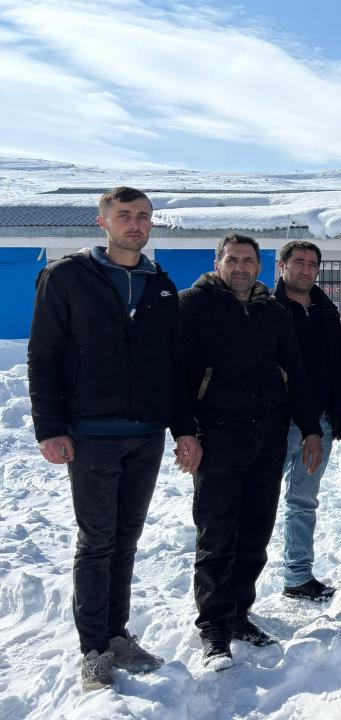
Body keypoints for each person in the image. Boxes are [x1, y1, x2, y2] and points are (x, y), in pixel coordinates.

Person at [28, 186, 197, 690]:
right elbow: (45, 356)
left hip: (144, 434)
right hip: (91, 433)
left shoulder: (161, 286)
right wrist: (50, 427)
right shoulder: (68, 277)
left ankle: (117, 634)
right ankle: (94, 649)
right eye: (124, 215)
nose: (136, 224)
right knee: (97, 541)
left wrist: (183, 428)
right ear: (102, 222)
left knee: (126, 540)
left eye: (144, 216)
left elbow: (174, 367)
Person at [179, 233, 323, 669]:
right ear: (218, 261)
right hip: (217, 438)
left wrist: (311, 430)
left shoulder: (271, 310)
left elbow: (295, 372)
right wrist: (185, 432)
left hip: (268, 438)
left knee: (256, 534)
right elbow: (176, 375)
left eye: (248, 261)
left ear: (260, 267)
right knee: (217, 535)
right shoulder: (193, 305)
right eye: (233, 259)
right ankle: (215, 630)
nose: (240, 267)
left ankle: (239, 612)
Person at [274, 240, 341, 603]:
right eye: (298, 262)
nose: (305, 269)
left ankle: (298, 575)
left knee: (303, 502)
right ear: (281, 266)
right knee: (256, 504)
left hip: (319, 422)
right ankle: (237, 588)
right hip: (275, 422)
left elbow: (339, 366)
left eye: (312, 264)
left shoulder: (325, 310)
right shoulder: (266, 307)